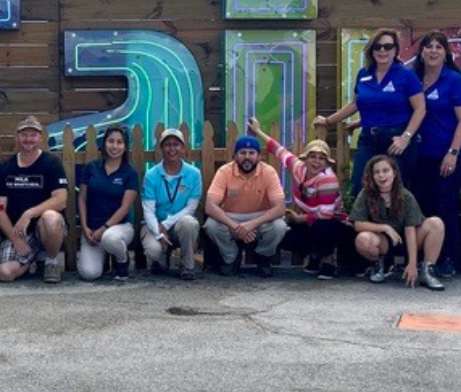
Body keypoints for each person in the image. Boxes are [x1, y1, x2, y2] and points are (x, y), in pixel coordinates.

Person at [316, 28, 425, 189]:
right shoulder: (363, 74)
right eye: (377, 46)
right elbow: (355, 104)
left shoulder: (406, 76)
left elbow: (420, 109)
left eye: (388, 46)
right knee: (359, 186)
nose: (382, 50)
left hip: (396, 141)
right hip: (368, 139)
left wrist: (405, 138)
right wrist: (328, 121)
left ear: (395, 50)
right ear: (371, 50)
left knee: (395, 191)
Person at [249, 118, 353, 280]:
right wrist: (257, 131)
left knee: (322, 227)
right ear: (305, 159)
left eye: (322, 158)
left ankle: (328, 261)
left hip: (334, 224)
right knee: (283, 232)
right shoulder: (298, 168)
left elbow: (326, 215)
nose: (316, 161)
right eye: (312, 156)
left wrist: (299, 218)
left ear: (327, 163)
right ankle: (314, 256)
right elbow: (278, 150)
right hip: (309, 221)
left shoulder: (328, 179)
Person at [409, 31, 461, 278]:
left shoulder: (455, 81)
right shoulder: (413, 78)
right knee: (421, 206)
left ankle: (449, 259)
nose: (433, 51)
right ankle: (424, 260)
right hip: (419, 154)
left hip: (449, 155)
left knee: (444, 204)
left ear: (446, 53)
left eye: (439, 47)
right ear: (421, 52)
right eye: (429, 46)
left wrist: (453, 152)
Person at [0, 116, 70, 283]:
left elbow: (61, 200)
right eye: (24, 135)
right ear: (17, 137)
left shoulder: (52, 163)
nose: (28, 139)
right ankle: (31, 260)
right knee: (5, 273)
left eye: (33, 135)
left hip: (46, 228)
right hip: (19, 232)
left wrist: (29, 214)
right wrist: (15, 240)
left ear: (40, 137)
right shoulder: (5, 168)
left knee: (51, 217)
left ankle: (50, 262)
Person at [350, 156, 447, 290]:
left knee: (436, 223)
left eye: (385, 170)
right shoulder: (366, 193)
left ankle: (427, 270)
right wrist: (385, 228)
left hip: (408, 240)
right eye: (377, 172)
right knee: (363, 239)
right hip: (383, 241)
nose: (381, 175)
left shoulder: (406, 196)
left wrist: (412, 263)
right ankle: (379, 264)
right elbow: (358, 224)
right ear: (372, 176)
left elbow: (410, 229)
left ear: (394, 172)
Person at [203, 135, 288, 277]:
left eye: (251, 153)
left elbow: (280, 208)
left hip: (260, 217)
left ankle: (263, 257)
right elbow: (210, 206)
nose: (247, 157)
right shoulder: (224, 171)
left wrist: (252, 224)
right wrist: (236, 226)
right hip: (231, 217)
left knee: (279, 226)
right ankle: (231, 258)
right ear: (235, 156)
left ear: (259, 156)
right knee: (211, 225)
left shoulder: (269, 172)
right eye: (242, 153)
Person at [76, 126, 140, 281]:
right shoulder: (91, 168)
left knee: (110, 239)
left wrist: (103, 229)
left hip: (119, 228)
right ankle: (103, 259)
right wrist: (85, 227)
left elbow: (125, 208)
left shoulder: (130, 173)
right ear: (104, 143)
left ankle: (121, 259)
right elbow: (82, 198)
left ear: (125, 147)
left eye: (120, 142)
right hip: (92, 229)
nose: (115, 146)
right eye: (111, 141)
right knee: (89, 274)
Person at [140, 128, 202, 281]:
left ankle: (188, 265)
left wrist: (167, 224)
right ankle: (161, 258)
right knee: (153, 251)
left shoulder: (194, 174)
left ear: (183, 148)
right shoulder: (151, 175)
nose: (172, 149)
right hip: (155, 223)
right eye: (167, 145)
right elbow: (148, 211)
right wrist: (159, 232)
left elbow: (191, 207)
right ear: (161, 148)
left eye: (176, 144)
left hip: (179, 224)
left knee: (189, 223)